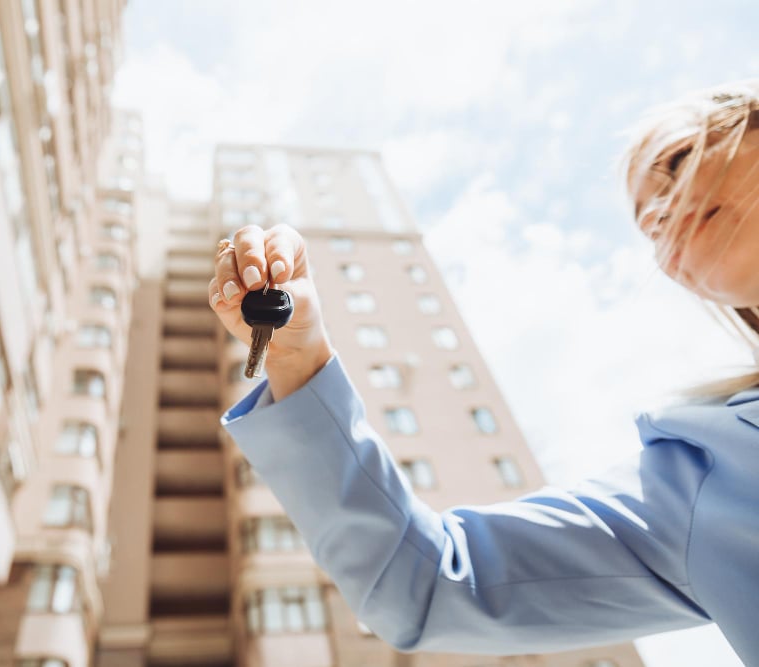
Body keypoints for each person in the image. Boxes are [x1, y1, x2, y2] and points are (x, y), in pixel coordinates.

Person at [208, 80, 759, 664]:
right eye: (648, 225)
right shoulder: (702, 478)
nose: (659, 213)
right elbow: (423, 581)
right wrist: (299, 359)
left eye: (677, 161)